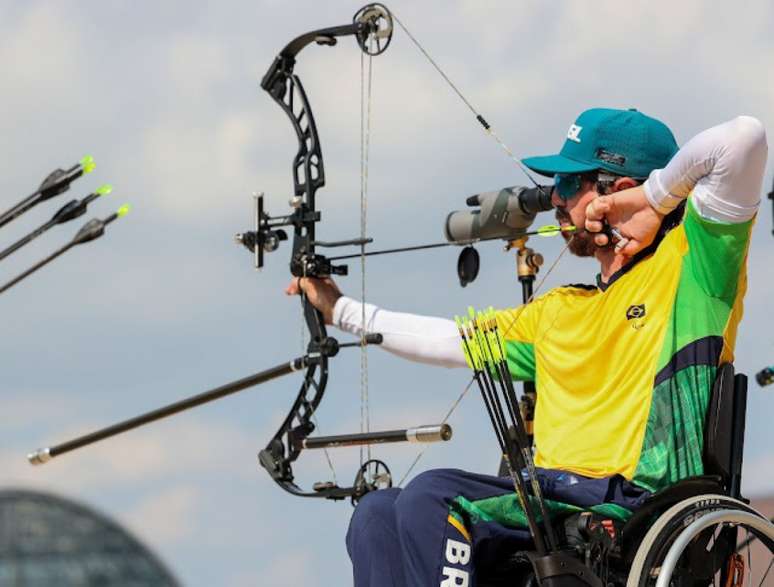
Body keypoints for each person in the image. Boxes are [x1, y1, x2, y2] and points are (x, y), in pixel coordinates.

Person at [286, 108, 768, 587]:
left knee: (432, 496)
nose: (554, 198)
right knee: (376, 514)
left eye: (568, 184)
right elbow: (448, 340)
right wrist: (340, 311)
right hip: (548, 502)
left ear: (618, 190)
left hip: (632, 507)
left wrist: (653, 199)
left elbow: (742, 140)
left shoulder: (693, 270)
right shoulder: (560, 309)